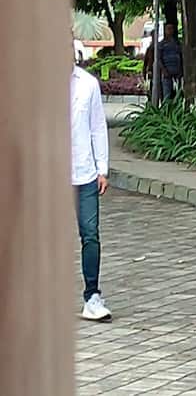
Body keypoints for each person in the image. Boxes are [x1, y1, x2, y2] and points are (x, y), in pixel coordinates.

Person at [70, 64, 112, 322]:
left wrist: (102, 168)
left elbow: (97, 126)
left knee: (90, 234)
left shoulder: (87, 84)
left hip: (84, 172)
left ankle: (92, 296)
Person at [158, 23, 182, 99]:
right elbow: (158, 59)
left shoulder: (177, 43)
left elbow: (180, 56)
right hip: (166, 73)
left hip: (177, 73)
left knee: (177, 95)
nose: (170, 31)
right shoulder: (162, 44)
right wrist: (164, 70)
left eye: (171, 28)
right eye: (168, 29)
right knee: (167, 95)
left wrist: (180, 70)